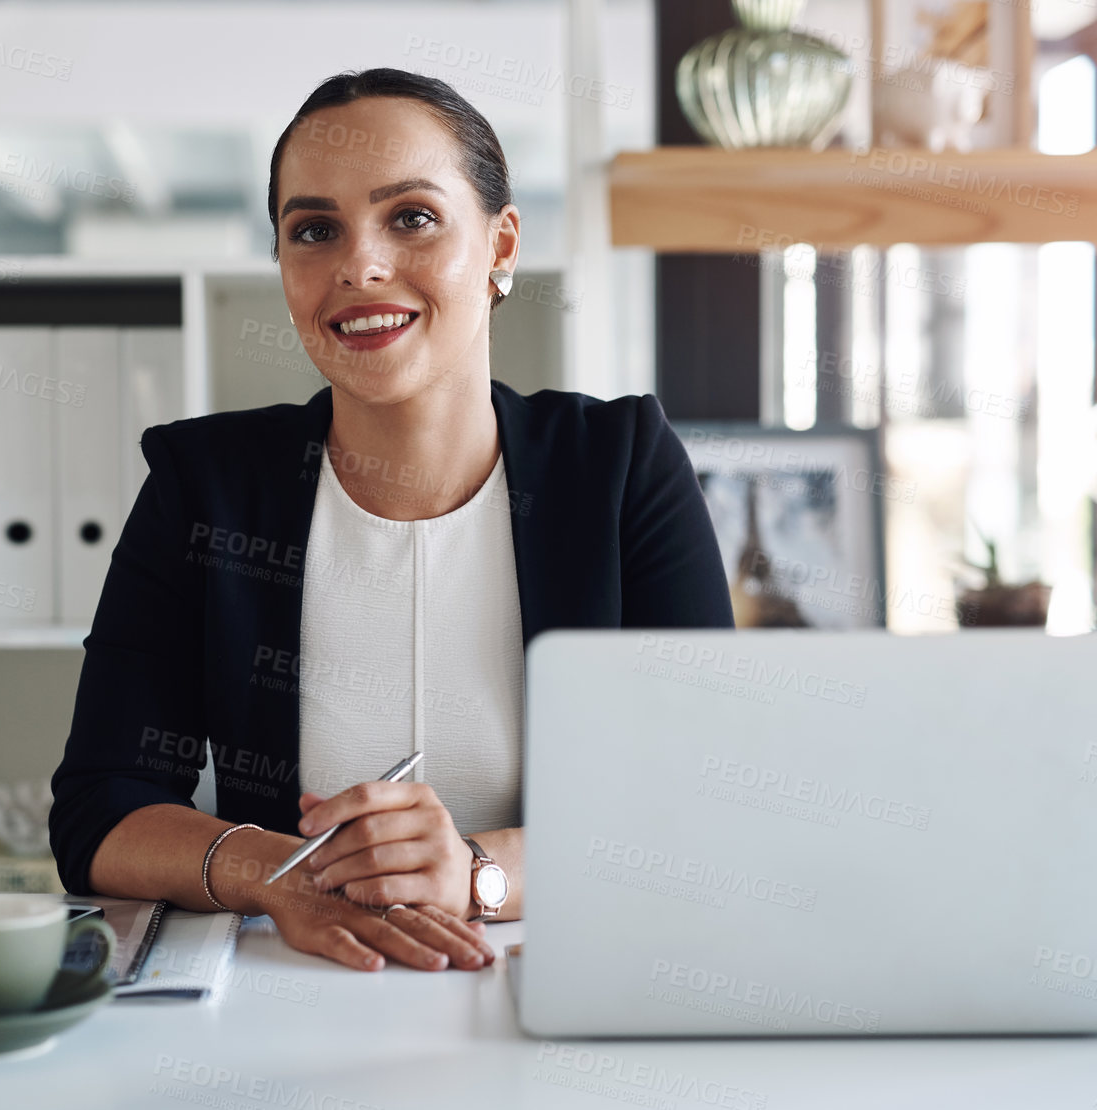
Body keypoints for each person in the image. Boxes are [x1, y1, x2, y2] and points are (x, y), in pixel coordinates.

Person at [49, 67, 734, 974]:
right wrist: (276, 872)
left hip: (569, 981)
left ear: (500, 245)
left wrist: (477, 874)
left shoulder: (619, 466)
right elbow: (101, 809)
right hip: (292, 993)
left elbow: (705, 802)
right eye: (314, 230)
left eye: (410, 217)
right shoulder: (203, 486)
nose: (359, 265)